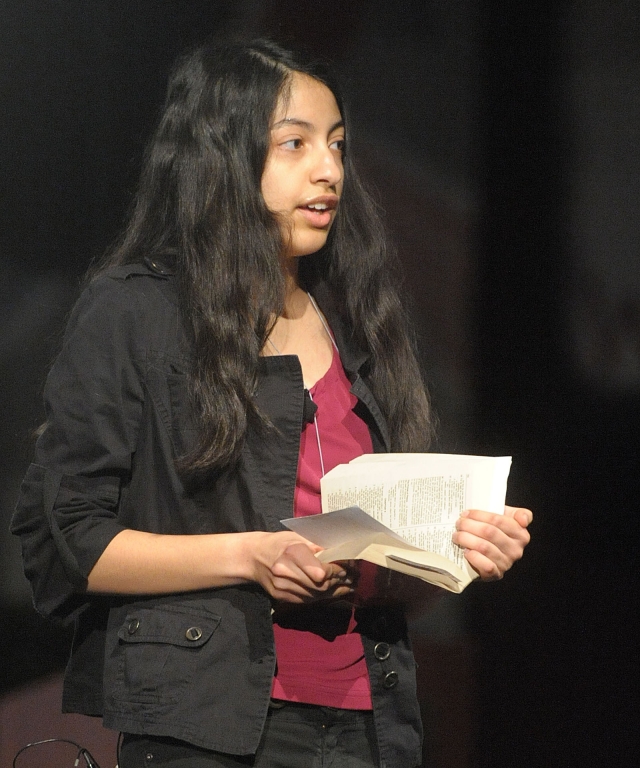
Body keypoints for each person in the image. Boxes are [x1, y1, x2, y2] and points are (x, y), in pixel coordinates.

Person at [11, 38, 532, 768]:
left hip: (370, 725)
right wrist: (251, 556)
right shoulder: (138, 314)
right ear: (220, 155)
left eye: (338, 146)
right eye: (295, 144)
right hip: (209, 726)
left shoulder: (358, 324)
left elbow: (380, 578)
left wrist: (457, 556)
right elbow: (66, 540)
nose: (329, 170)